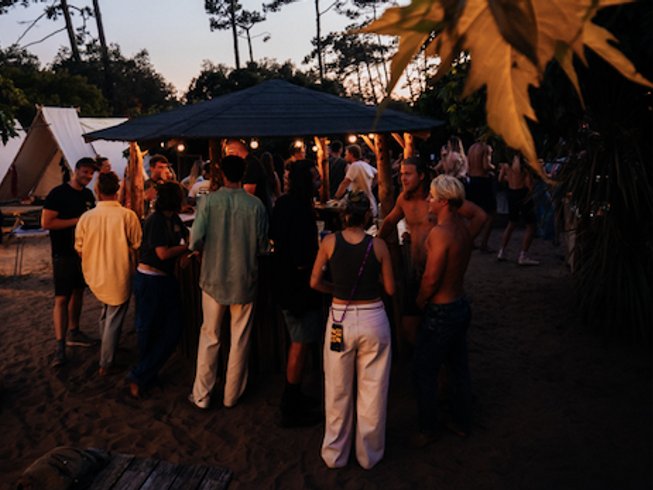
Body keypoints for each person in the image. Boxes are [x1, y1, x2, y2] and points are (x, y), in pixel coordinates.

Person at [310, 192, 395, 470]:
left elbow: (314, 282)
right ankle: (368, 455)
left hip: (340, 318)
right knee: (373, 390)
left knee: (337, 389)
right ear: (367, 216)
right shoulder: (378, 246)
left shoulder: (329, 242)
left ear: (344, 215)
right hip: (373, 318)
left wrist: (336, 289)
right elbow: (390, 288)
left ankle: (335, 454)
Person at [378, 157, 486, 356]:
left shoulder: (439, 198)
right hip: (416, 271)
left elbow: (480, 216)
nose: (403, 178)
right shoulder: (404, 200)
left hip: (439, 272)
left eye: (408, 174)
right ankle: (429, 358)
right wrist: (375, 243)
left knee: (440, 324)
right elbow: (390, 222)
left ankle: (434, 362)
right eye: (401, 174)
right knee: (410, 326)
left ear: (421, 175)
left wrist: (461, 242)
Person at [189, 155, 268, 409]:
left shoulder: (209, 202)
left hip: (213, 277)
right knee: (240, 339)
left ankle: (202, 395)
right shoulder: (255, 205)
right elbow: (263, 246)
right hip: (244, 278)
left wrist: (201, 250)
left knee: (210, 336)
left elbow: (195, 239)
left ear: (222, 174)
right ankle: (231, 395)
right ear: (243, 174)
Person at [412, 175, 474, 447]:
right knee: (458, 367)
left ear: (445, 202)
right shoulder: (463, 228)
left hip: (442, 310)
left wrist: (420, 300)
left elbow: (431, 278)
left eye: (432, 196)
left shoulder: (441, 234)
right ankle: (461, 420)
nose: (428, 199)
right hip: (460, 304)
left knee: (424, 369)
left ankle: (428, 428)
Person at [270, 160, 323, 427]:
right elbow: (303, 255)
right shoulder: (301, 209)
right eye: (315, 178)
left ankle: (296, 395)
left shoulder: (282, 204)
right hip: (298, 285)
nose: (319, 181)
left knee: (299, 339)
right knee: (300, 342)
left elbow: (274, 236)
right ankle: (289, 405)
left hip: (283, 280)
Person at [74, 172, 142, 377]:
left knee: (106, 313)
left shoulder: (86, 217)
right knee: (114, 317)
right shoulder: (127, 216)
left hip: (96, 272)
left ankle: (107, 349)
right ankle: (106, 362)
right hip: (119, 272)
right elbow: (137, 244)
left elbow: (79, 248)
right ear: (118, 190)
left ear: (97, 190)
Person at [129, 182, 189, 398]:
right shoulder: (155, 220)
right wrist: (187, 249)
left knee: (172, 329)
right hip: (150, 280)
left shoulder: (173, 219)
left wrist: (185, 250)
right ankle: (142, 376)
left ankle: (143, 374)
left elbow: (187, 235)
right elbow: (162, 253)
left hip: (164, 279)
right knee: (150, 330)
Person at [42, 157, 98, 367]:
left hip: (82, 254)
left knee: (78, 292)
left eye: (91, 173)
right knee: (62, 298)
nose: (88, 176)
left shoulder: (88, 195)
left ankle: (74, 331)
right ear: (76, 170)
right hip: (63, 253)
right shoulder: (58, 193)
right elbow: (47, 222)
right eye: (85, 171)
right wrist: (78, 220)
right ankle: (60, 346)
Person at [497, 154, 540, 265]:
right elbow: (529, 185)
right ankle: (523, 255)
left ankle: (502, 251)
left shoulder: (507, 165)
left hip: (511, 193)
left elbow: (500, 179)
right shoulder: (525, 166)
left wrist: (510, 178)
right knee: (531, 225)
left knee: (511, 223)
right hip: (523, 194)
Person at [224, 139, 272, 215]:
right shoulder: (251, 162)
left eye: (228, 155)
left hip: (256, 213)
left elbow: (248, 194)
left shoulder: (251, 165)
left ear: (232, 152)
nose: (227, 158)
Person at [465, 142, 497, 251]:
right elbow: (486, 166)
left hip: (472, 181)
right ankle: (484, 243)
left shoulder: (471, 148)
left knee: (472, 213)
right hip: (483, 181)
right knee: (491, 214)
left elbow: (468, 165)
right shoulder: (486, 148)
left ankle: (470, 241)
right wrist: (495, 167)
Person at [335, 144, 378, 217]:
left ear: (351, 154)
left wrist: (336, 197)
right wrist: (370, 186)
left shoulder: (354, 165)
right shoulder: (365, 164)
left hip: (360, 206)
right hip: (371, 204)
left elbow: (345, 183)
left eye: (346, 154)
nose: (345, 156)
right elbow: (377, 174)